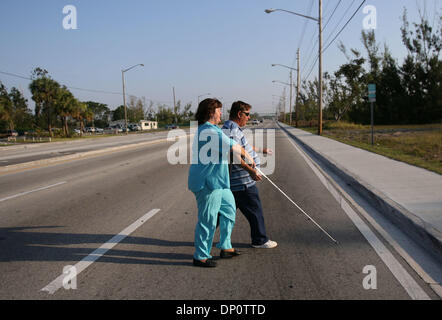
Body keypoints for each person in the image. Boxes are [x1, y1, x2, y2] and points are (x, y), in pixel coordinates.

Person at [188, 98, 256, 267]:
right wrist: (249, 158)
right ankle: (200, 256)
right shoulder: (208, 131)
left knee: (229, 211)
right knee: (208, 220)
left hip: (219, 181)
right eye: (219, 110)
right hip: (207, 184)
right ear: (211, 112)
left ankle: (225, 247)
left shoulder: (212, 129)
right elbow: (233, 147)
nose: (221, 114)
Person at [222, 101, 277, 249]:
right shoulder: (232, 129)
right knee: (255, 211)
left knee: (221, 213)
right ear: (239, 114)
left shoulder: (230, 128)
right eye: (247, 114)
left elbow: (239, 147)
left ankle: (203, 237)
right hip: (242, 182)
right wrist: (250, 170)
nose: (249, 117)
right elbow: (232, 154)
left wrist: (261, 150)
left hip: (235, 182)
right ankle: (260, 240)